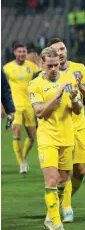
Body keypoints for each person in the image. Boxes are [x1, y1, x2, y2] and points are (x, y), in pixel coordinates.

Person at [29, 47, 83, 230]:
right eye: (50, 65)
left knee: (62, 180)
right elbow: (39, 113)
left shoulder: (68, 80)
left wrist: (76, 100)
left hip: (67, 137)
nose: (54, 69)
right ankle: (57, 223)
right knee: (51, 180)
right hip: (47, 139)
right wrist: (57, 96)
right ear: (42, 64)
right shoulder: (35, 85)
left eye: (57, 65)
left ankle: (49, 217)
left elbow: (77, 110)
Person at [47, 38, 85, 222]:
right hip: (60, 127)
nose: (60, 52)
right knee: (64, 172)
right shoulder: (48, 74)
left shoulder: (79, 68)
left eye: (62, 48)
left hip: (79, 125)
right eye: (56, 50)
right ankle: (67, 207)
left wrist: (79, 86)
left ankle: (62, 199)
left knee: (81, 171)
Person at [3, 43, 39, 174]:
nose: (22, 54)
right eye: (19, 52)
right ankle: (21, 163)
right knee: (16, 130)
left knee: (32, 136)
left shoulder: (32, 67)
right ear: (14, 53)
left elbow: (41, 77)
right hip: (15, 107)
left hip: (29, 106)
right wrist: (2, 106)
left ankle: (23, 156)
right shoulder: (7, 68)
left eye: (24, 52)